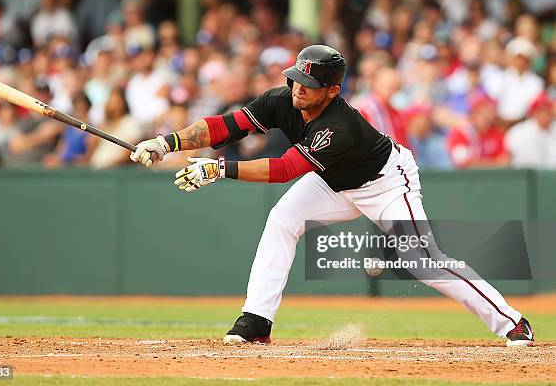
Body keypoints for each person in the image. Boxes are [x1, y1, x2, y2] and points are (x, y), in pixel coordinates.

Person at [130, 45, 534, 347]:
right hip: (332, 180)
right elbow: (227, 126)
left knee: (421, 259)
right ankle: (255, 321)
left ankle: (511, 321)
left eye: (309, 84)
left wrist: (220, 168)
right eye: (295, 78)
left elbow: (286, 169)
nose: (297, 88)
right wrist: (168, 143)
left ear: (331, 89)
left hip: (386, 183)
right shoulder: (281, 98)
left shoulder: (338, 123)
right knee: (282, 220)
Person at [505, 93, 556, 169]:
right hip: (524, 176)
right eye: (541, 111)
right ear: (533, 112)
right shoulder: (517, 132)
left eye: (548, 111)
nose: (545, 115)